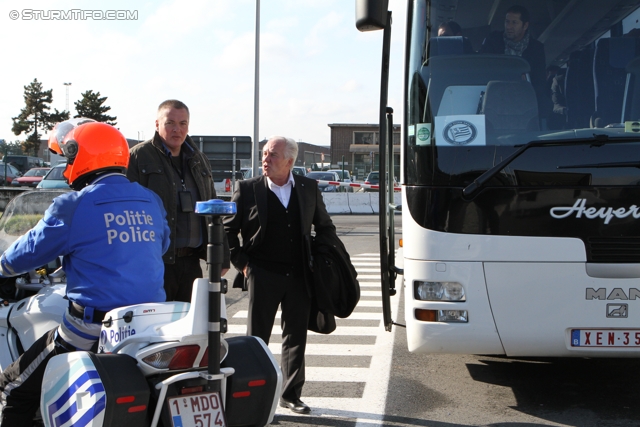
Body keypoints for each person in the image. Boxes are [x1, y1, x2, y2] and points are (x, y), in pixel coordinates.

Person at [0, 118, 170, 426]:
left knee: (13, 387)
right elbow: (161, 245)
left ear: (82, 156)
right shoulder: (151, 201)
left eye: (68, 157)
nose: (66, 166)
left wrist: (2, 266)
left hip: (91, 328)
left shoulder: (75, 205)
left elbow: (27, 253)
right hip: (149, 327)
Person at [224, 136, 338, 414]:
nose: (266, 159)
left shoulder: (308, 188)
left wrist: (322, 258)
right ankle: (254, 396)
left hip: (300, 273)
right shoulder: (247, 189)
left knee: (296, 337)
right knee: (256, 339)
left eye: (273, 155)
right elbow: (228, 230)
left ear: (289, 161)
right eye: (264, 154)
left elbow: (324, 226)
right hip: (262, 273)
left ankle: (291, 395)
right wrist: (243, 264)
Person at [128, 99, 229, 302]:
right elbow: (128, 209)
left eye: (182, 123)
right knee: (157, 329)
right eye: (170, 123)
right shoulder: (139, 157)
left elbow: (212, 204)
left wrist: (221, 253)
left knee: (189, 329)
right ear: (157, 125)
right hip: (156, 263)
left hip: (191, 263)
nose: (177, 129)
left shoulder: (199, 159)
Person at [480, 5, 547, 115]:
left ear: (525, 26)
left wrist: (527, 84)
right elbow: (482, 68)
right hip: (494, 100)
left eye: (514, 23)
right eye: (507, 22)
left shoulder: (536, 48)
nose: (509, 26)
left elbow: (540, 82)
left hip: (524, 103)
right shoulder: (492, 41)